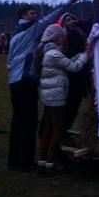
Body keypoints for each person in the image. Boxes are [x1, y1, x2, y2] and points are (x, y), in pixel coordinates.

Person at [6, 0, 82, 172]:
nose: (35, 16)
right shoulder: (30, 30)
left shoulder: (15, 34)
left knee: (18, 121)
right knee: (29, 122)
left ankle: (14, 160)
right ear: (23, 15)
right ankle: (25, 162)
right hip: (25, 81)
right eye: (32, 13)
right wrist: (69, 2)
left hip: (14, 81)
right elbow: (50, 18)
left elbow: (10, 60)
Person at [35, 24, 90, 176]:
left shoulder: (48, 52)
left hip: (48, 96)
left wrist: (79, 55)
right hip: (56, 97)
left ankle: (42, 162)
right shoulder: (54, 54)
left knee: (47, 129)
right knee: (58, 131)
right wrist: (86, 53)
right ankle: (51, 165)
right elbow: (74, 67)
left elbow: (65, 62)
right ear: (57, 37)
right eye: (62, 36)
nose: (64, 38)